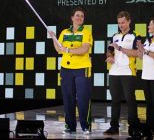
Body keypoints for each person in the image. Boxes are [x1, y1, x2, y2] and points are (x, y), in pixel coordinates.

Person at [48, 7, 93, 135]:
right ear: (72, 17)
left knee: (83, 98)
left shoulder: (86, 32)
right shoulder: (64, 32)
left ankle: (85, 126)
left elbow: (83, 50)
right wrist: (54, 38)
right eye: (77, 15)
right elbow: (59, 49)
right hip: (66, 69)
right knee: (68, 98)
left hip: (82, 68)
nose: (79, 18)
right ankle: (70, 126)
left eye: (82, 16)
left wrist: (67, 50)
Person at [103, 11, 140, 135]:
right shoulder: (115, 36)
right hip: (114, 72)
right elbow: (109, 50)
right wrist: (110, 56)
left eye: (123, 22)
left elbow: (137, 53)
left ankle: (133, 127)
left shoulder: (136, 36)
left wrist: (120, 48)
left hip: (128, 72)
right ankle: (114, 127)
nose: (121, 25)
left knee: (130, 100)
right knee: (115, 101)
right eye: (119, 23)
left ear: (129, 21)